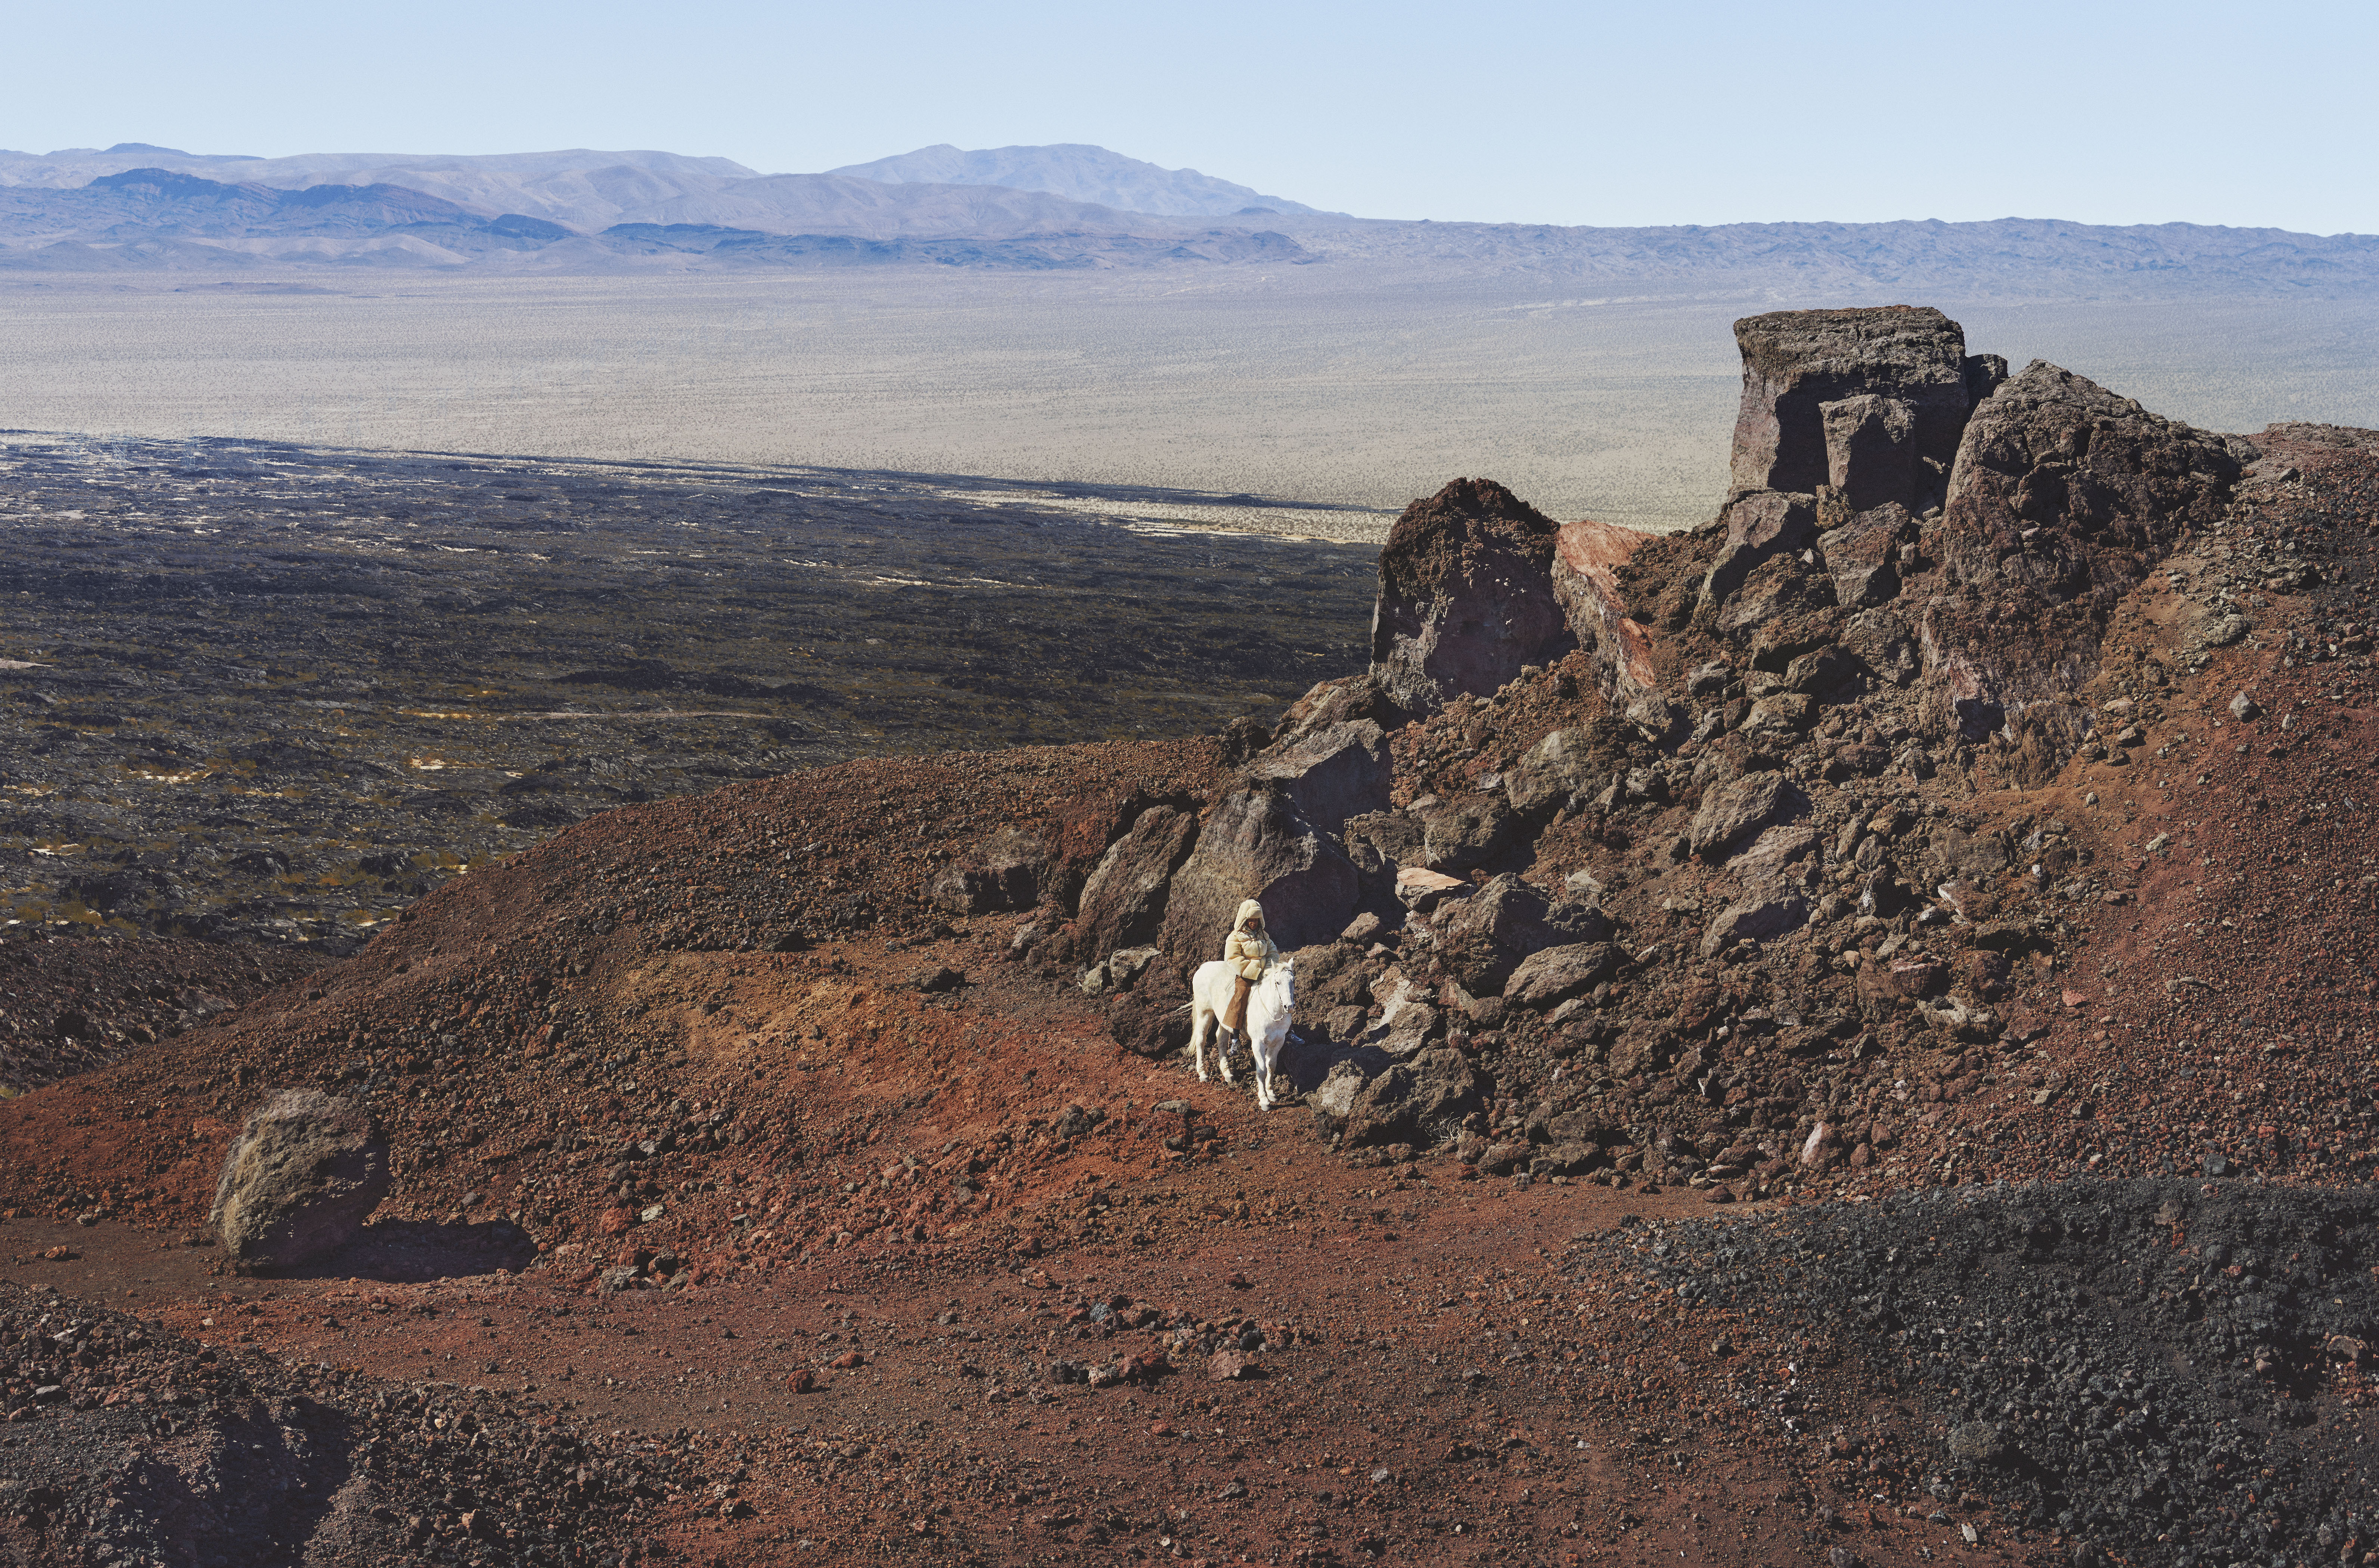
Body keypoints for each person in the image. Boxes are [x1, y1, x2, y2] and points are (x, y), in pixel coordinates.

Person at [1220, 898, 1276, 1041]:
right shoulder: (1235, 937)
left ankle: (1288, 1030)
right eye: (1251, 920)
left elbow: (1273, 953)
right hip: (1245, 975)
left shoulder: (1264, 936)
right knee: (1240, 998)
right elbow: (1232, 958)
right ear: (1244, 919)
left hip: (1265, 974)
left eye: (1256, 920)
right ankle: (1236, 1039)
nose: (1254, 923)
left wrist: (1268, 971)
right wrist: (1254, 972)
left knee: (1282, 992)